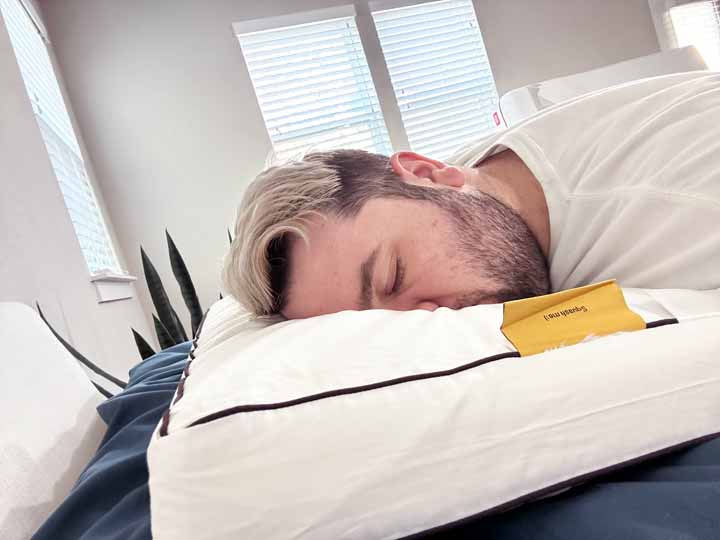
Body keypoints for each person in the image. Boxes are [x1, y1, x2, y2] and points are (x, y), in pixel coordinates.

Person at [223, 71, 720, 319]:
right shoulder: (473, 187)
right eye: (384, 329)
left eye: (395, 275)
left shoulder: (683, 203)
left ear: (430, 171)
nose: (431, 322)